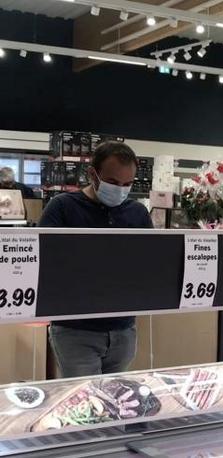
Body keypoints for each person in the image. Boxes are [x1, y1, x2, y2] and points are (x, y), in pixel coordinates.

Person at [40, 141, 153, 378]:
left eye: (127, 184)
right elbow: (47, 265)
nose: (120, 189)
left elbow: (148, 265)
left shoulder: (138, 213)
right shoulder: (62, 208)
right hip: (75, 330)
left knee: (116, 402)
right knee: (84, 403)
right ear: (92, 174)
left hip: (123, 329)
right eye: (113, 182)